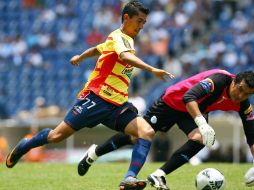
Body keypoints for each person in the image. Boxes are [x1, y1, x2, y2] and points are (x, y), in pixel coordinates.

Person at [5, 1, 174, 190]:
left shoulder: (124, 40)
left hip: (117, 104)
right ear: (126, 18)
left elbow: (98, 48)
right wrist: (152, 69)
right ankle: (26, 145)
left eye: (144, 22)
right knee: (56, 136)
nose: (142, 26)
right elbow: (125, 57)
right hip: (97, 98)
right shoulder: (118, 37)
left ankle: (129, 178)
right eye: (139, 21)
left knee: (146, 132)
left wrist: (80, 57)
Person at [77, 69, 254, 190]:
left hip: (193, 111)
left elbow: (251, 134)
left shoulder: (243, 104)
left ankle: (159, 175)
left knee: (201, 138)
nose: (240, 96)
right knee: (137, 136)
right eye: (239, 90)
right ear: (234, 81)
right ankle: (95, 152)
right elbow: (189, 96)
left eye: (246, 94)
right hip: (172, 102)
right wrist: (202, 122)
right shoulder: (219, 80)